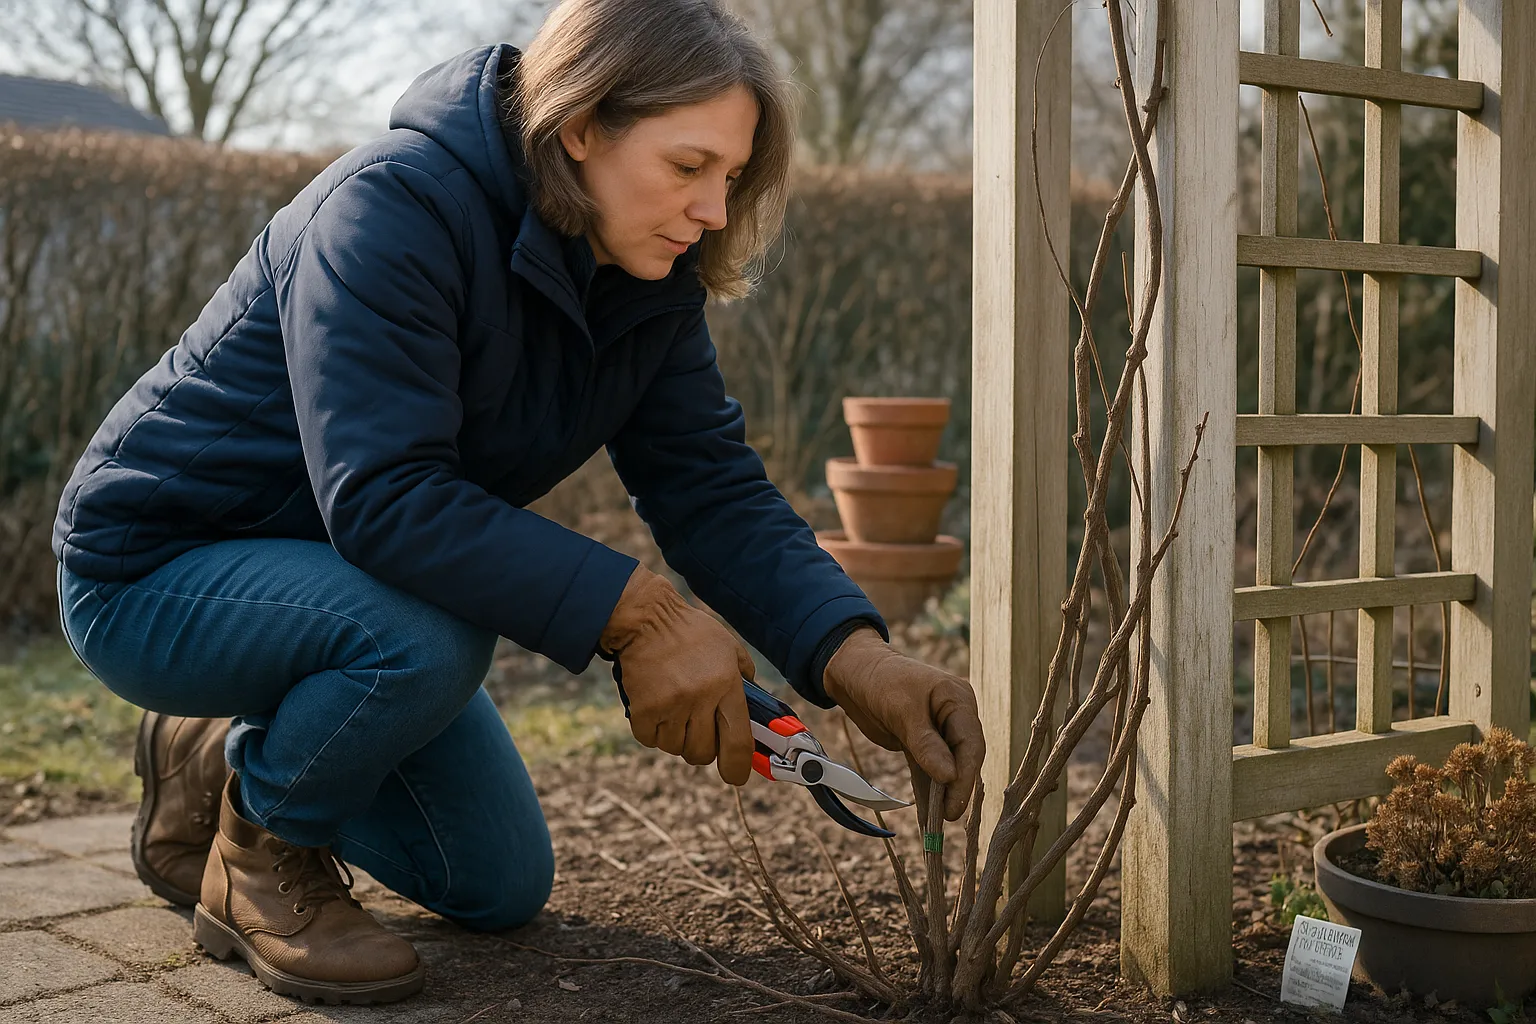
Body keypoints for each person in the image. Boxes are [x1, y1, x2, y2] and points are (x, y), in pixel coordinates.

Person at [52, 0, 984, 1006]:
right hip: (155, 572)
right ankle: (257, 853)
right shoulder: (389, 210)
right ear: (580, 126)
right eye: (688, 166)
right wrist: (641, 614)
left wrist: (859, 659)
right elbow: (387, 498)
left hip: (344, 590)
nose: (715, 209)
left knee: (491, 880)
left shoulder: (645, 279)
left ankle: (212, 750)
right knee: (430, 641)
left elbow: (708, 487)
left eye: (731, 176)